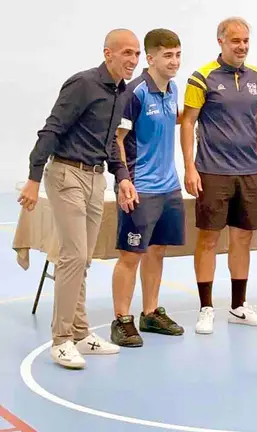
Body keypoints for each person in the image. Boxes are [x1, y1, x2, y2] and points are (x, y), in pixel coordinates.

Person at [18, 29, 141, 369]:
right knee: (73, 255)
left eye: (137, 54)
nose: (133, 60)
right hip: (65, 174)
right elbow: (52, 129)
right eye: (127, 53)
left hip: (94, 177)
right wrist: (32, 178)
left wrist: (124, 178)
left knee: (83, 258)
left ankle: (81, 333)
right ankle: (61, 340)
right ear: (108, 54)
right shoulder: (83, 84)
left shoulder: (121, 92)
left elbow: (111, 145)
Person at [181, 17, 257, 334]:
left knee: (242, 238)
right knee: (208, 239)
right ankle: (206, 308)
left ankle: (238, 307)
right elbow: (189, 122)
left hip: (248, 173)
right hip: (212, 171)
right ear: (221, 41)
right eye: (235, 41)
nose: (242, 46)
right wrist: (190, 167)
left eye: (246, 40)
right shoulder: (201, 77)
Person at [109, 29, 185, 347]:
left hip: (169, 187)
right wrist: (124, 180)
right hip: (140, 187)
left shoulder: (173, 89)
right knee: (131, 255)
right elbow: (117, 139)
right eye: (168, 55)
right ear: (150, 58)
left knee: (157, 251)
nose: (175, 61)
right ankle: (121, 319)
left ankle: (150, 312)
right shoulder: (135, 92)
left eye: (178, 54)